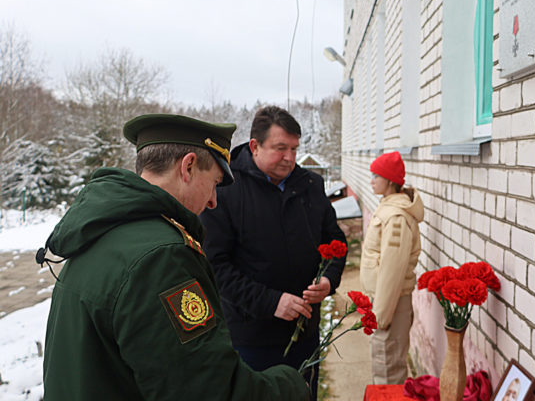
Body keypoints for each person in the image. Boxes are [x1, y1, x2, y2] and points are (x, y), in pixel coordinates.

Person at [40, 114, 308, 400]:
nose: (213, 201)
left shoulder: (101, 230)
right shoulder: (161, 257)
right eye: (215, 183)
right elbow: (210, 391)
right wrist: (291, 386)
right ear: (188, 167)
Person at [200, 105, 347, 398]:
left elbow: (336, 244)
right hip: (251, 339)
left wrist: (329, 280)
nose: (290, 158)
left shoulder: (310, 185)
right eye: (280, 148)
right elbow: (215, 266)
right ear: (254, 145)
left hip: (305, 332)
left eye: (294, 148)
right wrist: (271, 302)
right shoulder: (224, 189)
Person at [360, 151, 424, 384]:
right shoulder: (388, 208)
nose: (371, 180)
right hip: (384, 302)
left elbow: (392, 271)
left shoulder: (396, 217)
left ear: (389, 181)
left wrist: (381, 316)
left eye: (376, 175)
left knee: (388, 367)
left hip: (390, 305)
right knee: (383, 362)